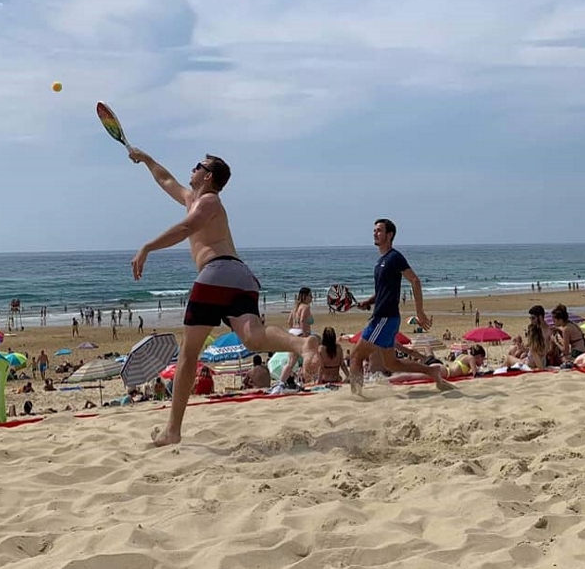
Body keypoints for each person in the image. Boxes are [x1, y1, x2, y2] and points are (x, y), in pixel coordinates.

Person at [128, 147, 319, 446]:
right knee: (253, 336)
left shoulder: (209, 200)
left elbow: (188, 227)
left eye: (197, 166)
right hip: (240, 276)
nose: (191, 169)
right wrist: (146, 160)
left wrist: (147, 247)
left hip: (216, 273)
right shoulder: (193, 199)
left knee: (189, 354)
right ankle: (301, 343)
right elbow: (165, 179)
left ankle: (173, 431)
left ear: (208, 176)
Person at [346, 219, 455, 394]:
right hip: (386, 318)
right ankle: (431, 371)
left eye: (379, 230)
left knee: (355, 356)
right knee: (391, 363)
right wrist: (368, 301)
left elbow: (415, 280)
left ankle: (356, 395)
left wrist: (419, 311)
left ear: (390, 235)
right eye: (374, 230)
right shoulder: (380, 261)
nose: (375, 233)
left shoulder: (394, 257)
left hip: (384, 318)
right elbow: (382, 291)